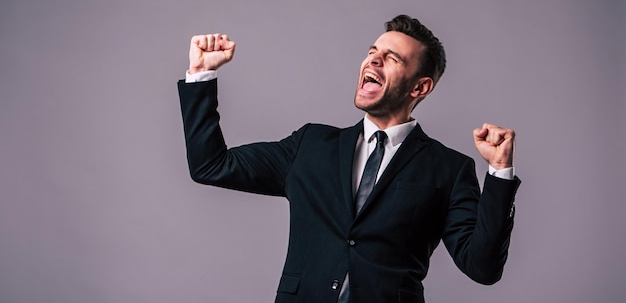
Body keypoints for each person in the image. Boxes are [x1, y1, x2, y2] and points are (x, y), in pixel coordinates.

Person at [178, 15, 521, 303]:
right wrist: (201, 75)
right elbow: (211, 166)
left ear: (420, 87)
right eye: (373, 52)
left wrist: (500, 173)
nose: (373, 60)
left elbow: (483, 267)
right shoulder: (311, 145)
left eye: (392, 58)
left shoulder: (448, 170)